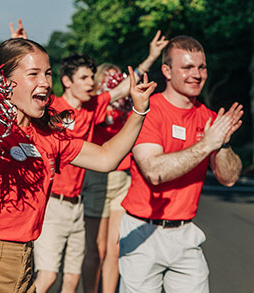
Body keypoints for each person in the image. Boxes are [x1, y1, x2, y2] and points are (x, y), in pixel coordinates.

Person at [0, 37, 156, 292]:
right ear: (4, 82)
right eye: (34, 74)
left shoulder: (49, 136)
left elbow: (107, 158)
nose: (45, 82)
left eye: (48, 73)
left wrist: (139, 112)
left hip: (23, 266)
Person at [33, 31, 167, 293]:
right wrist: (19, 48)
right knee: (48, 278)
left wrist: (151, 57)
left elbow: (121, 88)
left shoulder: (93, 107)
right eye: (84, 78)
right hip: (52, 204)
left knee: (71, 280)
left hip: (77, 205)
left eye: (91, 78)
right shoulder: (49, 106)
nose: (90, 83)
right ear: (67, 81)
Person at [118, 35, 243, 292]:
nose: (196, 74)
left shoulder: (208, 118)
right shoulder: (147, 111)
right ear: (167, 70)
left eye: (201, 67)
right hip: (143, 231)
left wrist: (224, 144)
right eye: (187, 67)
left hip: (186, 234)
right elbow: (154, 171)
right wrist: (207, 144)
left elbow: (229, 178)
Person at [81, 30, 167, 293]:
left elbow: (133, 81)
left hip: (122, 177)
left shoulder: (126, 107)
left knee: (115, 246)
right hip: (97, 177)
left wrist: (151, 57)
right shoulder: (93, 106)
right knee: (97, 247)